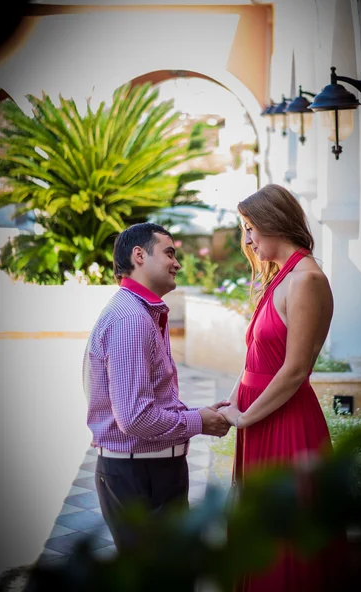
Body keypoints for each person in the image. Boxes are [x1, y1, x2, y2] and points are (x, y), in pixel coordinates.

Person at [218, 184, 342, 591]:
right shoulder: (282, 277)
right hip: (260, 418)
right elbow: (256, 355)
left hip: (285, 422)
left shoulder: (307, 279)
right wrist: (235, 400)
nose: (248, 240)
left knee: (284, 538)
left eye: (252, 228)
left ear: (275, 223)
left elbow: (294, 371)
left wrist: (245, 417)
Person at [83, 223, 230, 550]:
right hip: (138, 474)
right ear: (139, 255)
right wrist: (200, 422)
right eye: (169, 253)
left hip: (149, 470)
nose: (177, 263)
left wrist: (199, 413)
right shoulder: (130, 319)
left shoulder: (142, 314)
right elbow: (134, 418)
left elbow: (149, 406)